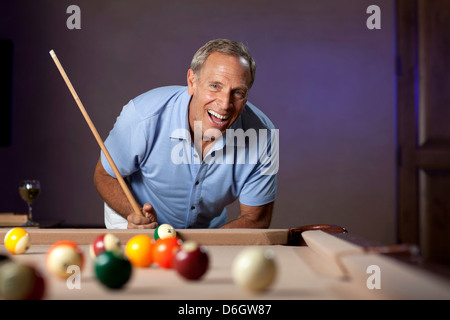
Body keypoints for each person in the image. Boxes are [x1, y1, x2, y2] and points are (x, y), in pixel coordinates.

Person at [93, 39, 278, 229]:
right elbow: (104, 175)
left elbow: (256, 219)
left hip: (208, 231)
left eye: (238, 92)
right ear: (192, 82)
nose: (224, 104)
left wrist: (204, 246)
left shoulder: (264, 136)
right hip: (135, 219)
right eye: (215, 86)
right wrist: (134, 214)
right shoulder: (143, 115)